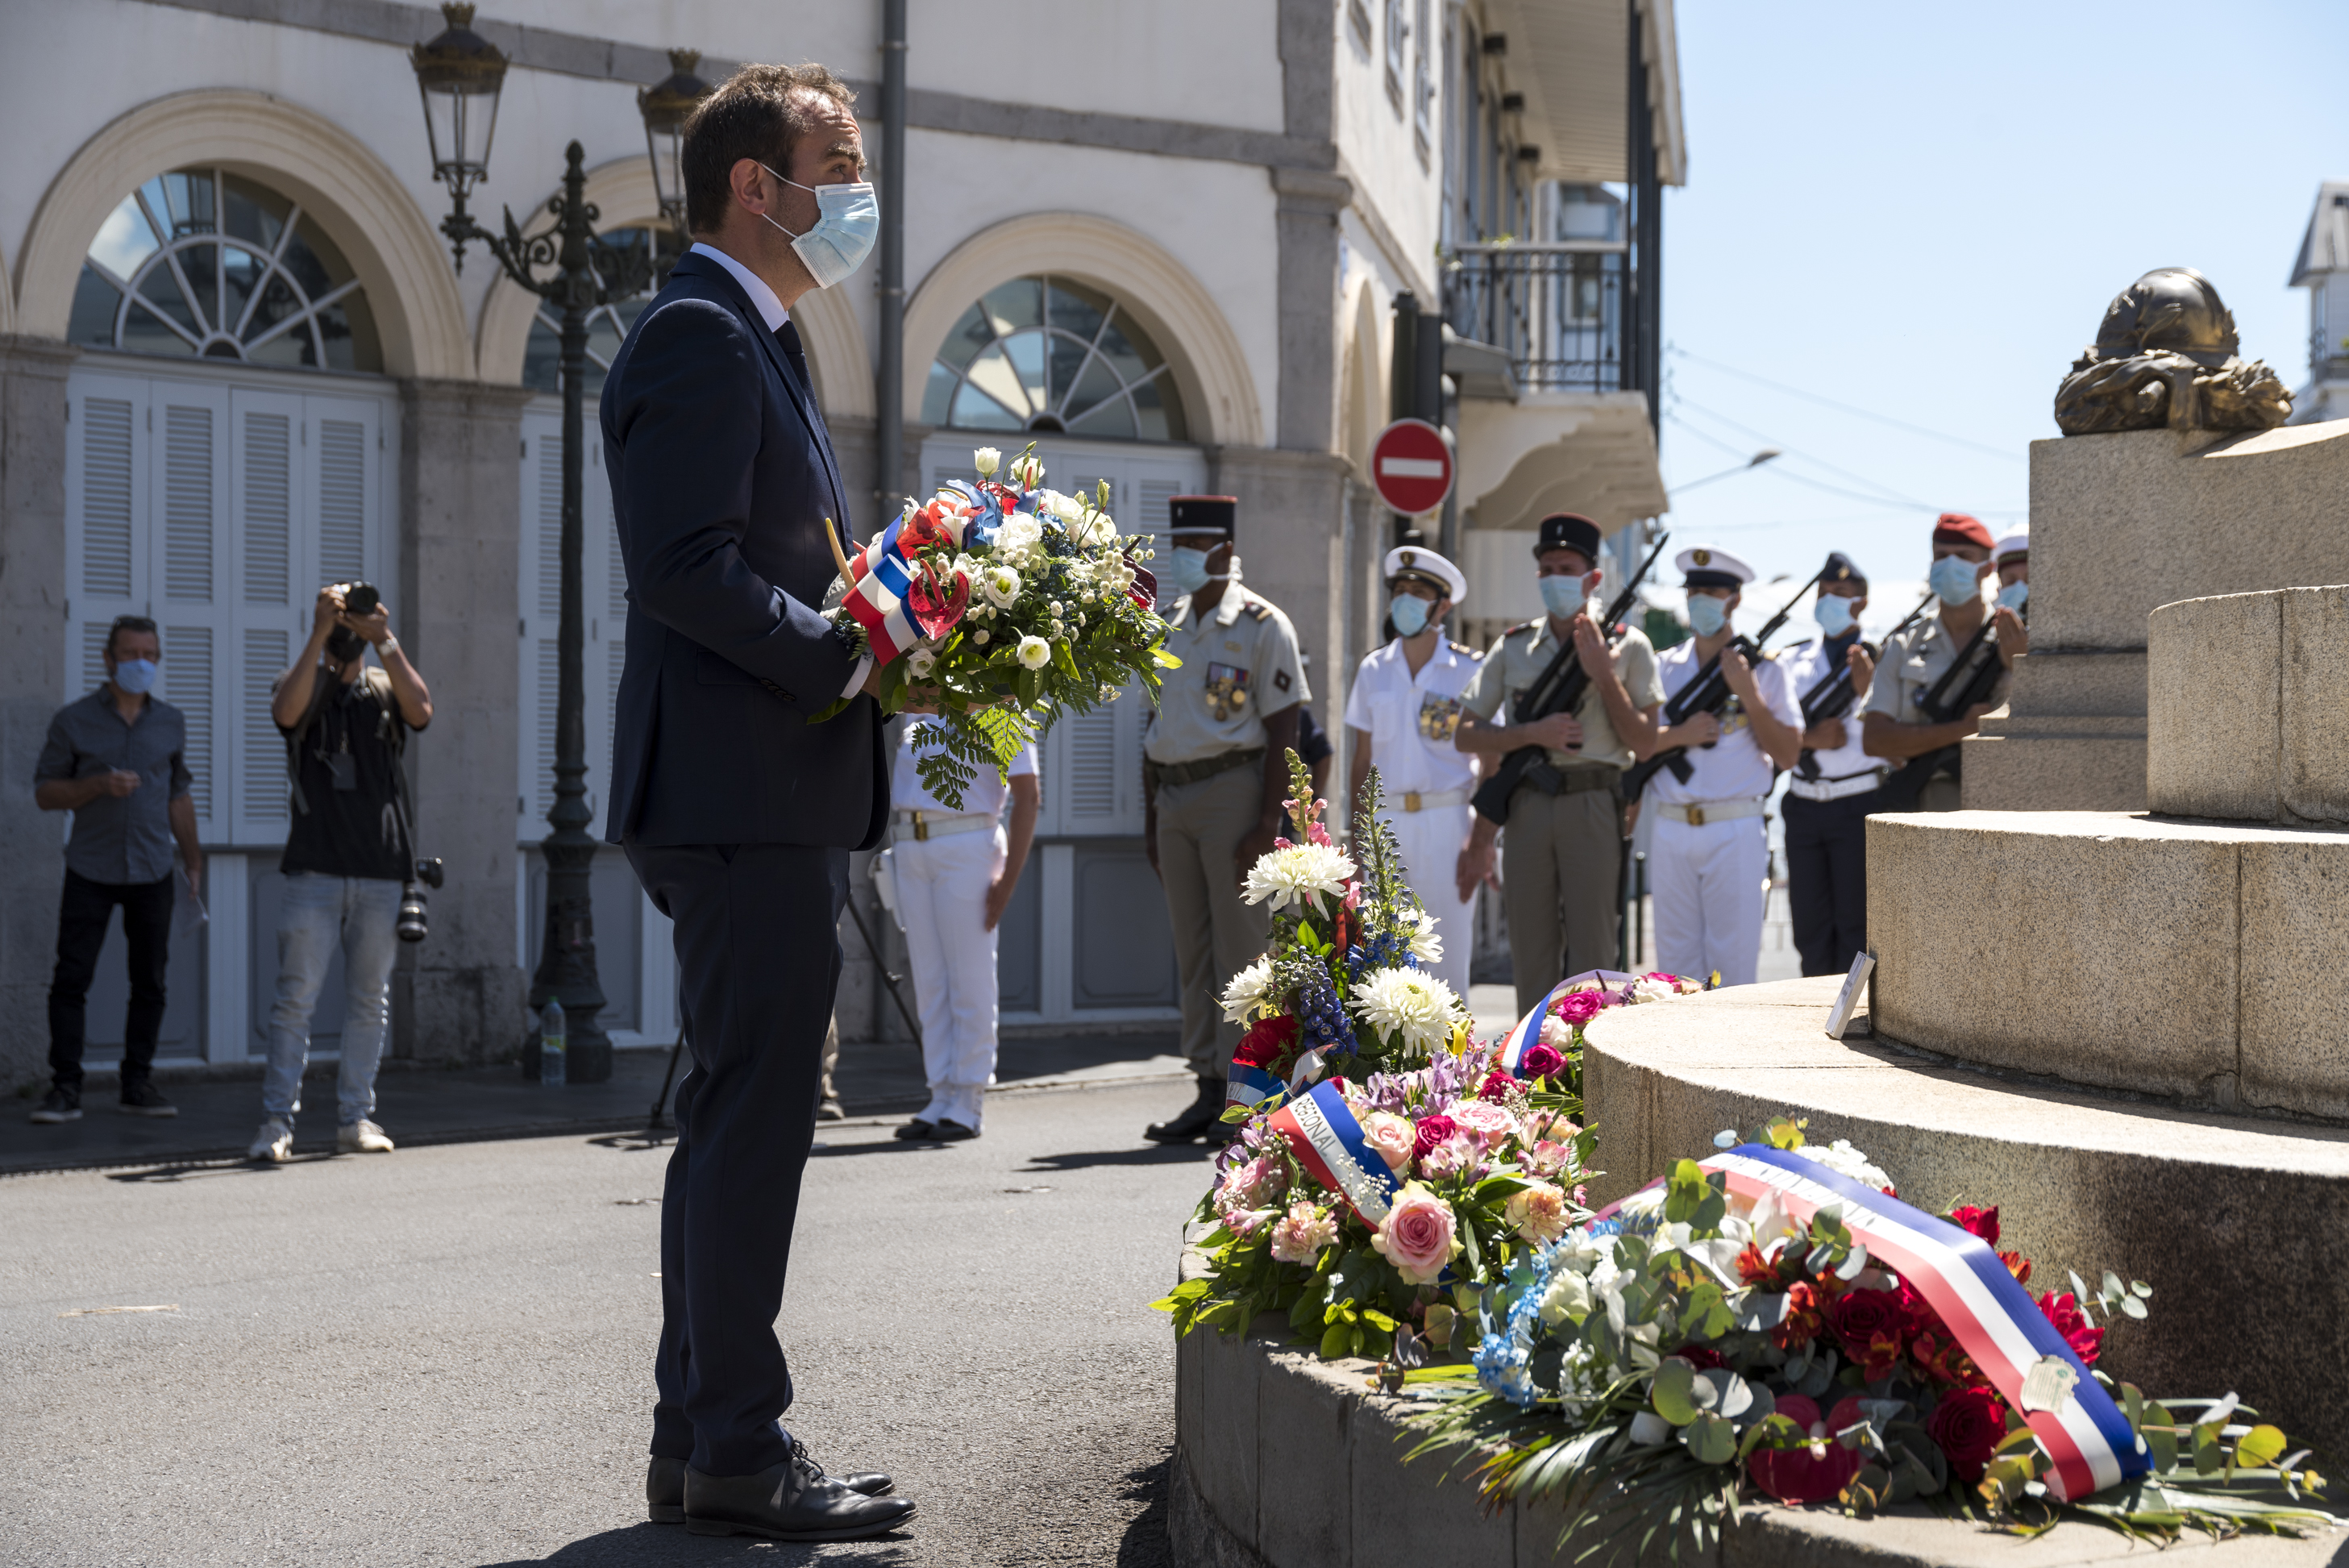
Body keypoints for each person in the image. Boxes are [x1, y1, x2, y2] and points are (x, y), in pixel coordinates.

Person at [599, 64, 913, 1541]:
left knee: (737, 1120)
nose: (856, 191)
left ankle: (700, 1443)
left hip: (757, 787)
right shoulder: (701, 331)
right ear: (753, 185)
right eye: (835, 163)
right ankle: (736, 1443)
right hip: (743, 789)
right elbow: (682, 568)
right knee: (752, 1127)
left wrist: (896, 621)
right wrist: (844, 656)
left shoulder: (754, 334)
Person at [244, 583, 433, 1162]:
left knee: (369, 1000)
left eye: (355, 619)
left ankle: (356, 1118)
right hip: (314, 870)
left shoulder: (382, 687)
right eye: (344, 618)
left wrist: (386, 639)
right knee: (295, 1000)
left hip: (380, 871)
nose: (350, 629)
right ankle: (276, 1122)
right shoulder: (302, 681)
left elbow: (422, 712)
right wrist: (320, 632)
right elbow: (285, 713)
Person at [1141, 494, 1307, 1144]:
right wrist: (1150, 822)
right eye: (1179, 545)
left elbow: (1285, 730)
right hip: (1174, 796)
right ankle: (1208, 1085)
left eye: (1196, 546)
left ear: (1226, 551)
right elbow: (1152, 728)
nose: (1183, 557)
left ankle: (1249, 1096)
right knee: (1193, 949)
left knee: (1243, 952)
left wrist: (1270, 822)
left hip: (1233, 793)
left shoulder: (1265, 625)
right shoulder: (1168, 624)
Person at [1454, 513, 1663, 1016]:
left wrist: (1603, 676)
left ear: (1593, 578)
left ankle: (1590, 1057)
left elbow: (1645, 743)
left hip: (1594, 802)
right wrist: (1533, 733)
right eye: (1546, 569)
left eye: (1566, 569)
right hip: (1527, 804)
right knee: (1531, 950)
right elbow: (1466, 733)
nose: (1554, 579)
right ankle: (1532, 1057)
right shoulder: (1513, 646)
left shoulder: (1629, 646)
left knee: (1594, 953)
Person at [1581, 545, 1802, 988]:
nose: (1701, 601)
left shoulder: (1766, 671)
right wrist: (1680, 735)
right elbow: (1639, 745)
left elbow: (1789, 754)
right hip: (1672, 826)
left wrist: (1749, 694)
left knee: (1732, 967)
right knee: (1675, 967)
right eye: (1694, 591)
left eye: (1712, 593)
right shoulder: (1663, 666)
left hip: (1734, 826)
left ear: (1735, 599)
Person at [29, 616, 203, 1124]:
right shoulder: (74, 720)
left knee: (150, 982)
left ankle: (137, 1084)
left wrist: (193, 861)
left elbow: (178, 795)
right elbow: (45, 793)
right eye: (130, 655)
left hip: (152, 868)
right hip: (91, 868)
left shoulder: (170, 722)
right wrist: (97, 786)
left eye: (150, 655)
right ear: (108, 660)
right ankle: (65, 1087)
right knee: (71, 979)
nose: (141, 664)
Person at [887, 712, 1039, 1142]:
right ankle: (940, 1094)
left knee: (969, 979)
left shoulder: (1004, 707)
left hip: (968, 844)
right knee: (930, 979)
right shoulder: (916, 700)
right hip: (911, 846)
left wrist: (1007, 882)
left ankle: (969, 1100)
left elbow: (1028, 797)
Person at [1342, 544, 1480, 996]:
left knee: (1447, 957)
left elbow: (1490, 758)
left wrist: (1481, 841)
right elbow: (1362, 760)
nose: (1405, 600)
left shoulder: (1468, 669)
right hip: (1385, 824)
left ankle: (1454, 1044)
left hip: (1447, 822)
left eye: (1418, 593)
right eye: (1399, 590)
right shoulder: (1374, 668)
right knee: (1385, 964)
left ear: (1443, 605)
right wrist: (1357, 838)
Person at [1862, 513, 2029, 811]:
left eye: (1963, 556)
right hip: (1924, 799)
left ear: (1987, 568)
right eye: (1942, 556)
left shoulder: (2011, 636)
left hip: (2004, 797)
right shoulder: (1904, 644)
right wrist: (1963, 728)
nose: (1951, 565)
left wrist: (2021, 666)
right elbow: (1875, 740)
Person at [1779, 554, 1880, 977]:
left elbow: (1894, 735)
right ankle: (1814, 1010)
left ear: (1862, 601)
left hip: (1857, 803)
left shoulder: (1883, 657)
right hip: (1803, 804)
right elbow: (1770, 731)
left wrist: (1868, 689)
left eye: (1839, 593)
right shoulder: (1790, 659)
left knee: (1856, 927)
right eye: (1823, 593)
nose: (1828, 601)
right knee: (1810, 929)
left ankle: (1855, 1011)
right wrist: (1809, 739)